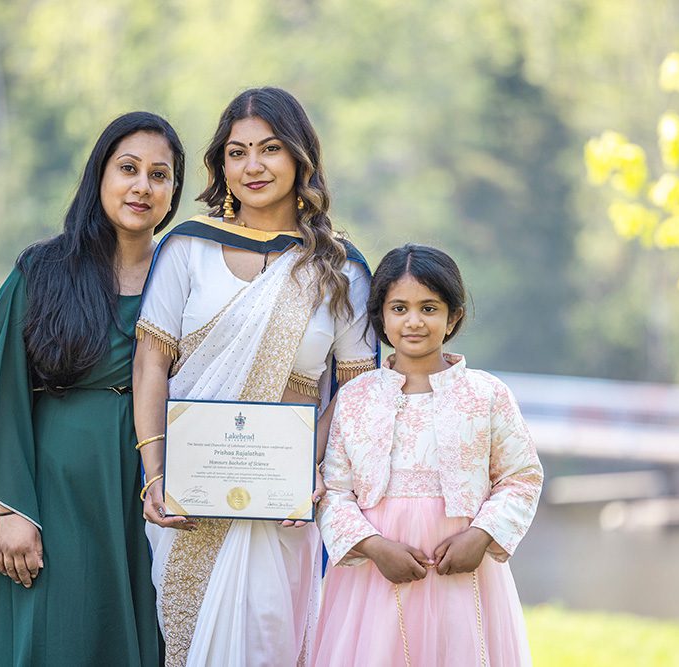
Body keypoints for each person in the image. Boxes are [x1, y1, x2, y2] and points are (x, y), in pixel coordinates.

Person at [133, 87, 377, 666]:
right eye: (237, 152)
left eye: (269, 149)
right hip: (188, 500)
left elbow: (355, 393)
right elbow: (150, 365)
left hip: (283, 504)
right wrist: (155, 475)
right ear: (221, 163)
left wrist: (313, 474)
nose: (253, 166)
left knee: (270, 642)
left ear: (299, 158)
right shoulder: (187, 249)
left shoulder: (338, 268)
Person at [0, 111, 185, 666]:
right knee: (52, 636)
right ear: (100, 175)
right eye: (128, 168)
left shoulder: (185, 276)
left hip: (150, 493)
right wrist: (12, 510)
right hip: (54, 498)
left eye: (160, 174)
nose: (142, 186)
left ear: (174, 192)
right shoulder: (43, 270)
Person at [314, 244, 544, 667]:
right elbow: (333, 491)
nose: (414, 321)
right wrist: (373, 545)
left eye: (429, 308)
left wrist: (482, 535)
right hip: (373, 577)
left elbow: (522, 476)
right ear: (381, 315)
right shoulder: (355, 398)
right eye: (399, 308)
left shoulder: (486, 394)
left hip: (463, 570)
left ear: (453, 316)